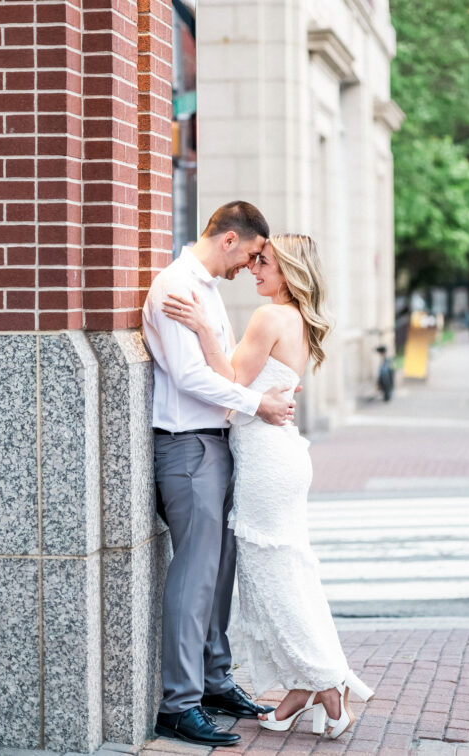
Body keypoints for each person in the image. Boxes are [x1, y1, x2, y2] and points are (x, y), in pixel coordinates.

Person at [161, 233, 374, 740]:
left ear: (290, 272)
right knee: (287, 571)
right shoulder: (296, 319)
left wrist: (201, 330)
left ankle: (327, 686)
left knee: (273, 578)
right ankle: (304, 689)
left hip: (265, 461)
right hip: (279, 456)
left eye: (265, 263)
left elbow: (232, 380)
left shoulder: (269, 317)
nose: (255, 269)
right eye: (255, 260)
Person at [142, 201, 294, 746]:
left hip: (216, 443)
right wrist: (257, 404)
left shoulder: (205, 289)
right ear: (229, 240)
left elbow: (222, 363)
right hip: (187, 449)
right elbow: (188, 378)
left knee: (220, 570)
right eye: (251, 254)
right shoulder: (176, 287)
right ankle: (178, 704)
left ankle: (212, 679)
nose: (250, 267)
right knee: (197, 572)